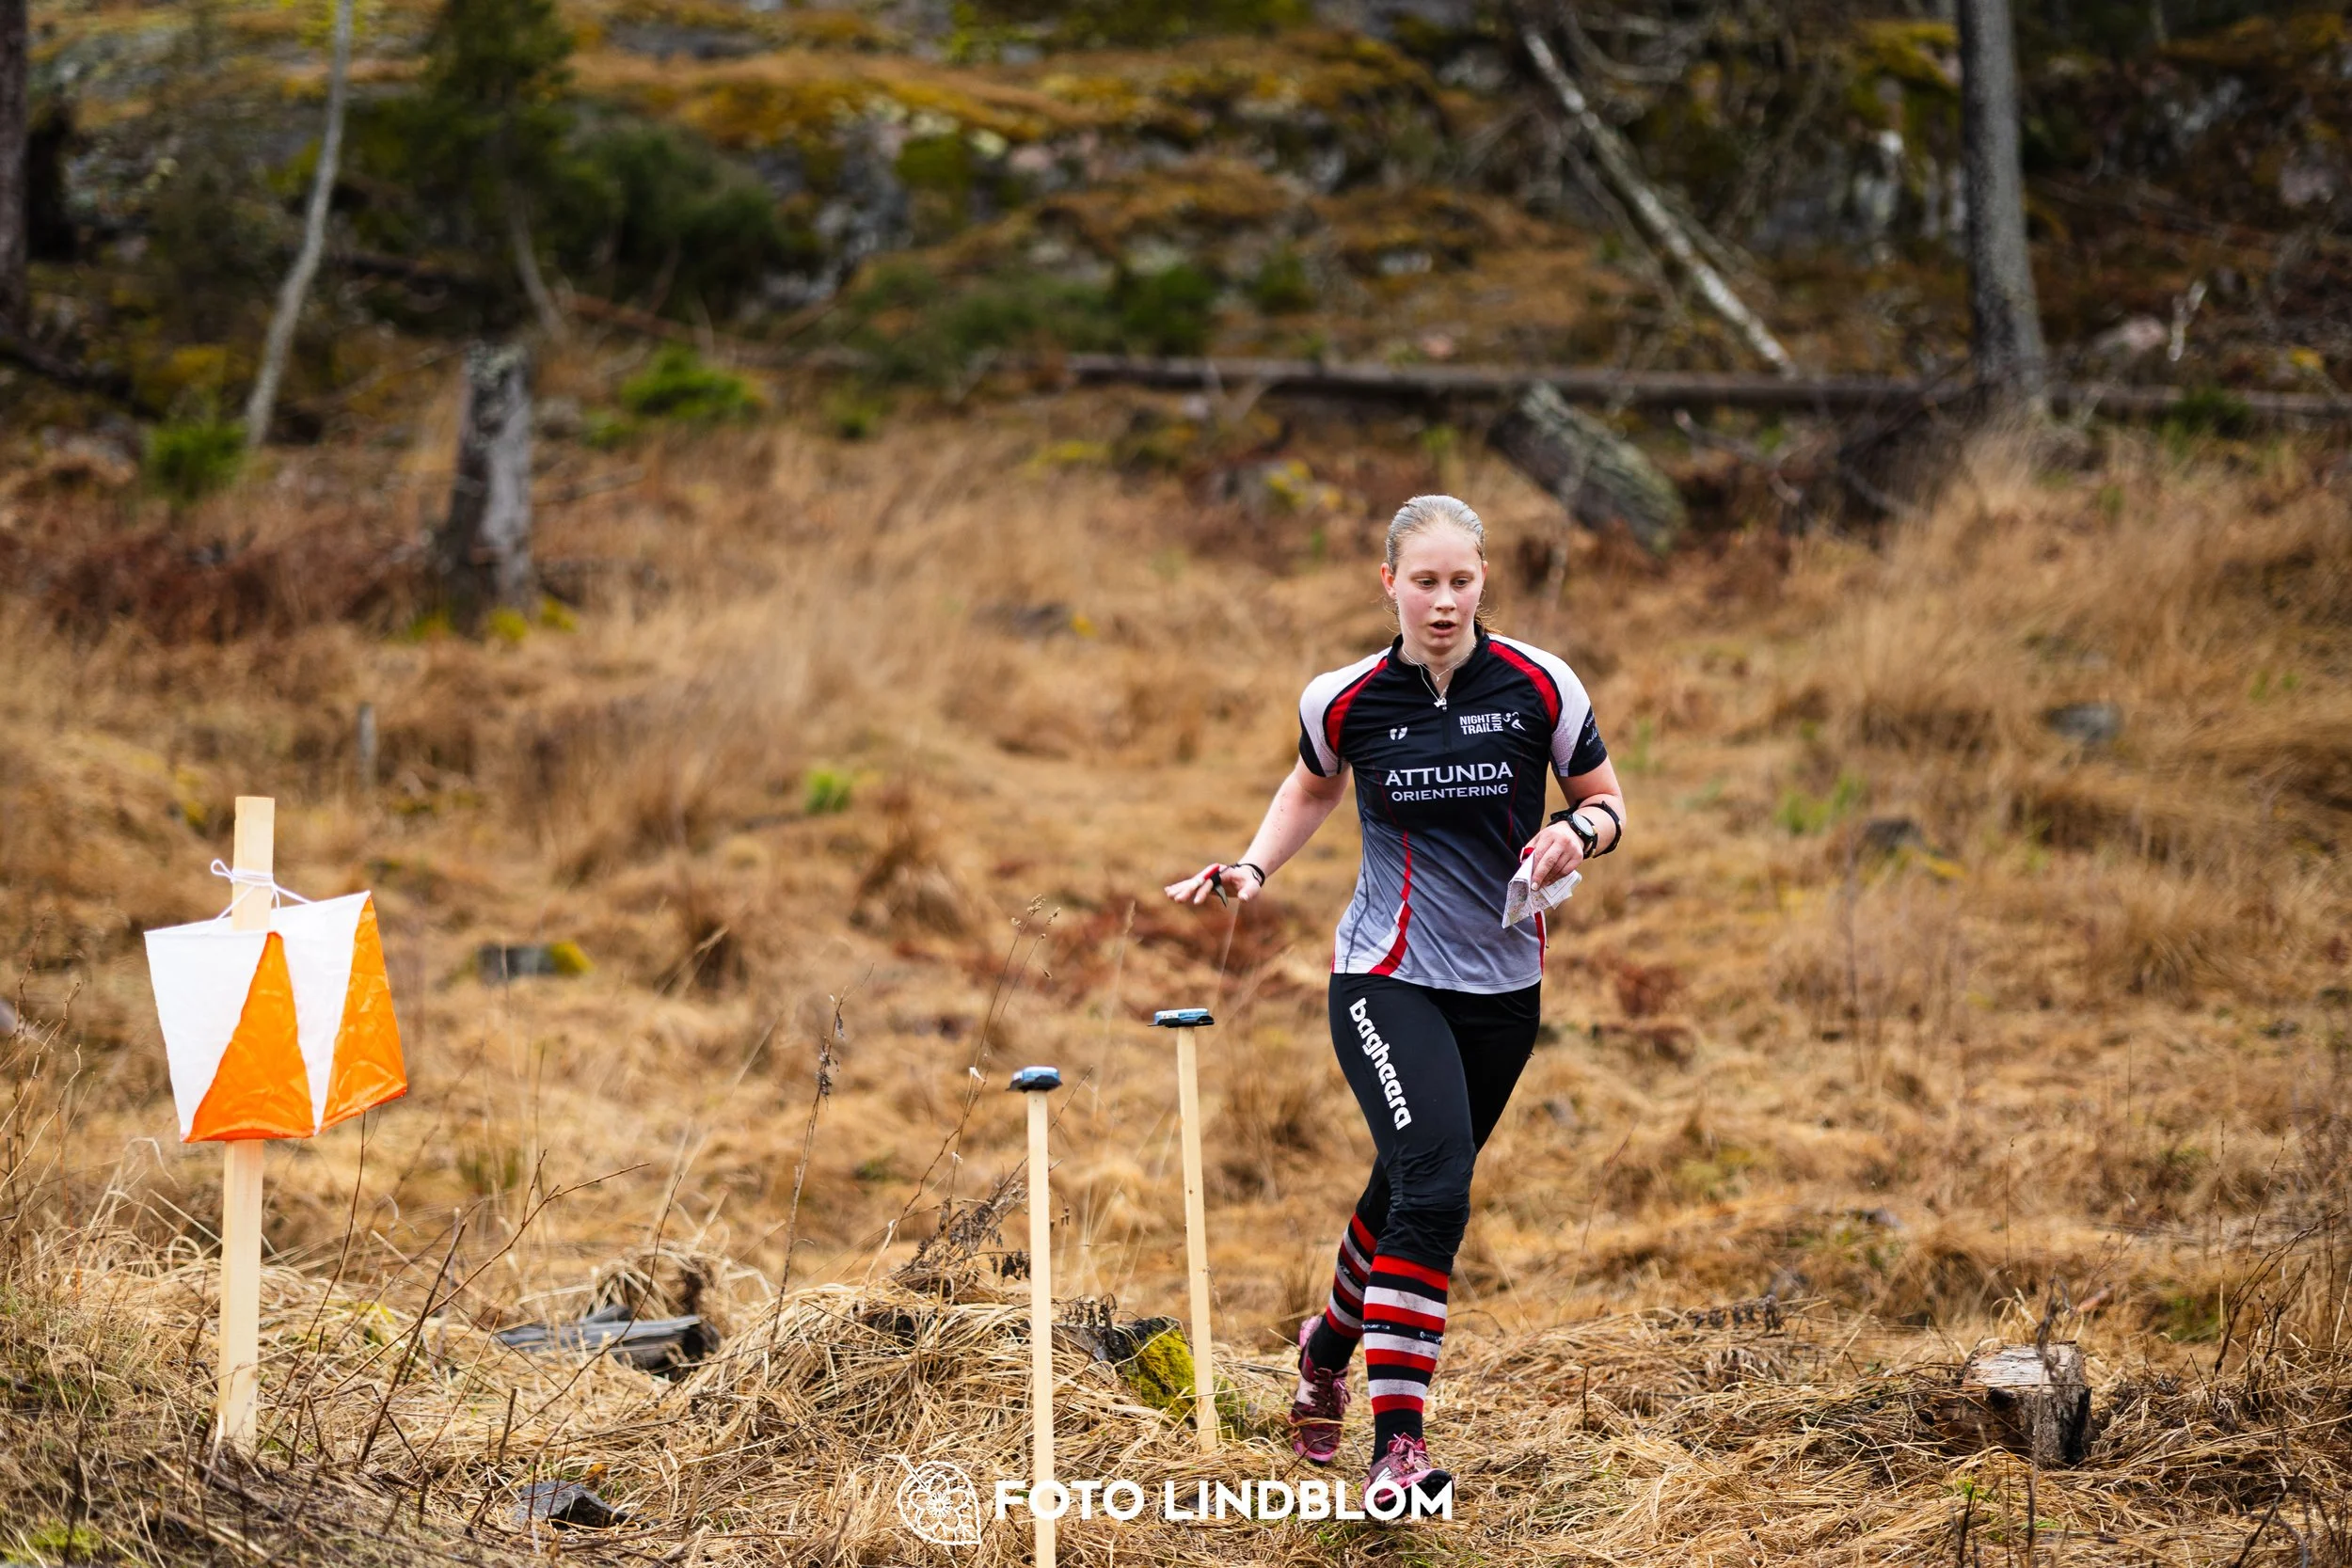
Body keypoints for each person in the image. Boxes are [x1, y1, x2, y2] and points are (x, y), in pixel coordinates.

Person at [1163, 494, 1626, 1510]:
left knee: (1409, 1185)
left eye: (1461, 580)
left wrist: (1574, 833)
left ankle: (1323, 1348)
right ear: (1390, 585)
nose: (1444, 601)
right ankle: (1399, 1449)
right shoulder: (1343, 698)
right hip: (1385, 976)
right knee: (1438, 1188)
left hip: (1504, 990)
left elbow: (1606, 799)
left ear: (1483, 580)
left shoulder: (1542, 684)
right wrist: (1252, 866)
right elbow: (1312, 787)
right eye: (1424, 581)